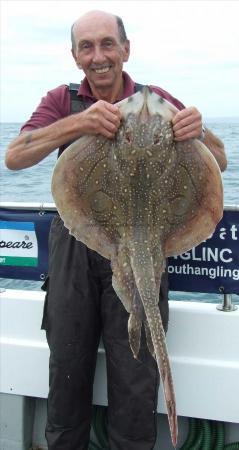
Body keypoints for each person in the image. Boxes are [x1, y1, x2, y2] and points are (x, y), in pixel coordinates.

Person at [5, 10, 227, 450]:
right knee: (67, 368)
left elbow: (217, 161)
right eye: (86, 47)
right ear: (75, 56)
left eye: (108, 44)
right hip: (78, 243)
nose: (98, 55)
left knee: (136, 373)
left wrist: (200, 131)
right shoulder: (62, 101)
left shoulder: (157, 98)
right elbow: (14, 156)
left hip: (144, 244)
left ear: (126, 49)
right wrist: (78, 125)